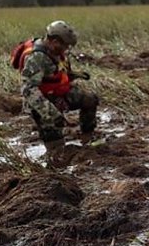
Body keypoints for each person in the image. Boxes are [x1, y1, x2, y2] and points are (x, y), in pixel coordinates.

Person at [18, 20, 99, 158]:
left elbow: (58, 72)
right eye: (65, 45)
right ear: (55, 41)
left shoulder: (56, 52)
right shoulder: (37, 57)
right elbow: (28, 89)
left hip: (59, 92)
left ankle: (87, 138)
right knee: (57, 150)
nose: (67, 49)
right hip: (41, 102)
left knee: (90, 99)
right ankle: (54, 155)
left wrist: (74, 75)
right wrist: (52, 113)